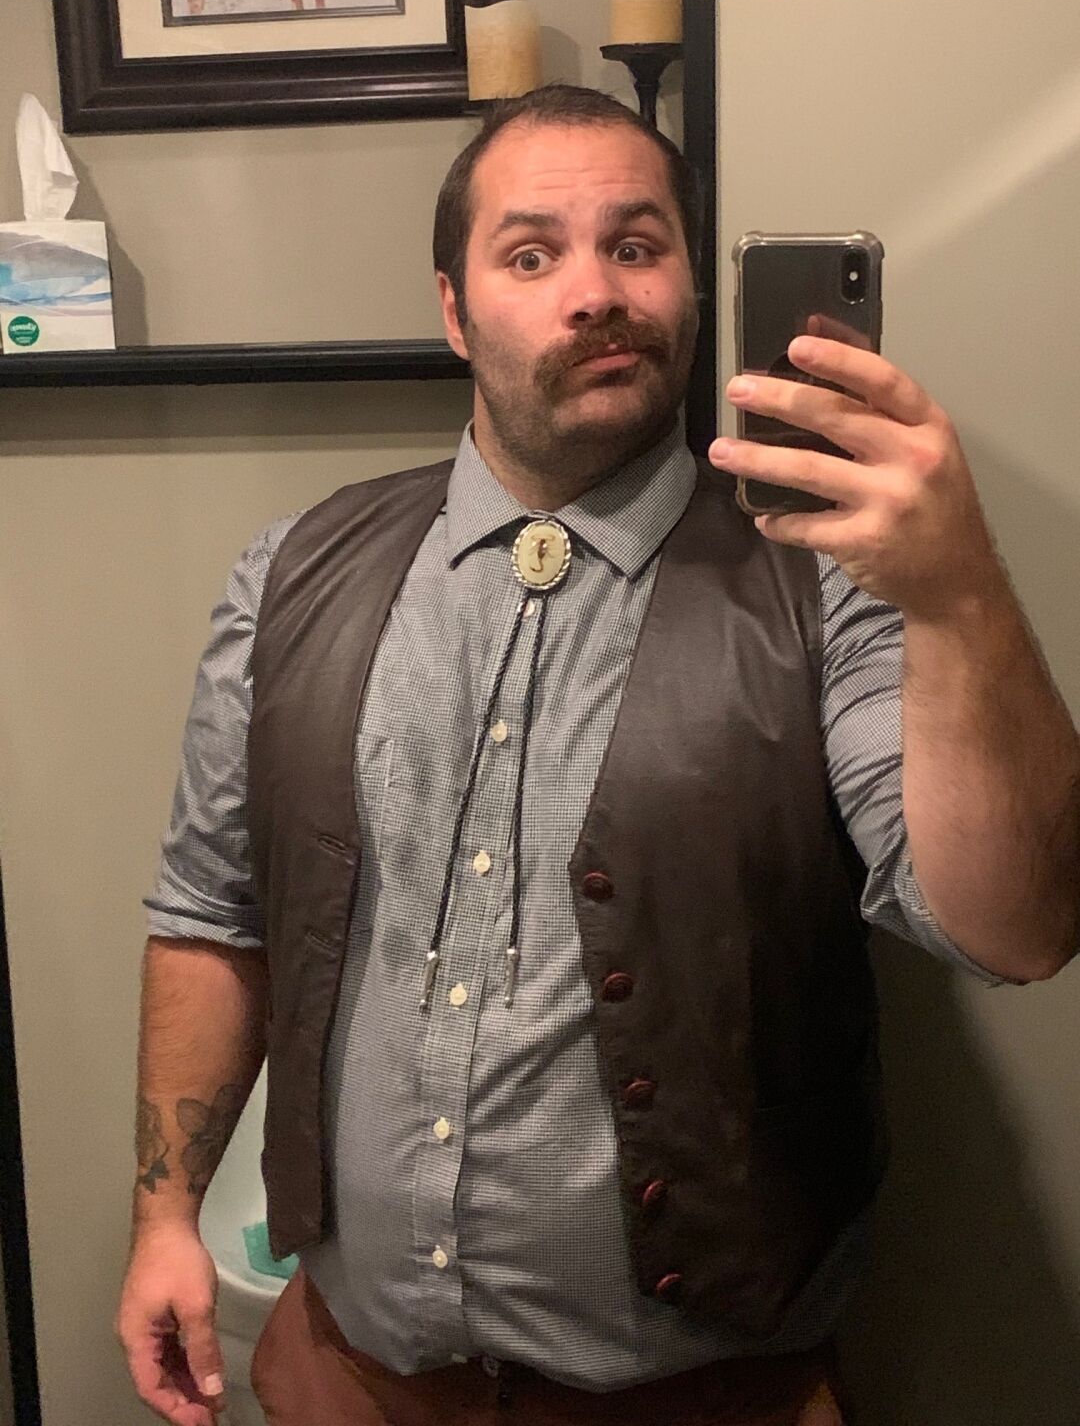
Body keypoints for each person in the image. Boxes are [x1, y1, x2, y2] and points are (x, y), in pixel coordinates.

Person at [115, 85, 1079, 1426]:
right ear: (455, 311)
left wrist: (961, 593)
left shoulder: (832, 585)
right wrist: (165, 1217)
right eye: (531, 255)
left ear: (692, 285)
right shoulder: (291, 575)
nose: (595, 294)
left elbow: (1018, 928)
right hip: (347, 1378)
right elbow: (210, 920)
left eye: (636, 246)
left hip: (710, 1399)